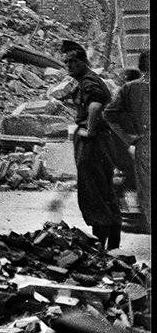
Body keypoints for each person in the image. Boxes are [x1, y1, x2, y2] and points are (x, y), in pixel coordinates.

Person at [64, 44, 122, 250]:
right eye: (66, 62)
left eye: (73, 61)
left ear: (83, 62)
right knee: (104, 188)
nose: (69, 66)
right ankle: (112, 241)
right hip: (102, 140)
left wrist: (89, 129)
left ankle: (101, 241)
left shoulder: (88, 82)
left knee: (91, 189)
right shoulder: (87, 80)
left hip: (93, 142)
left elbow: (95, 104)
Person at [105, 50, 150, 233]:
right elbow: (109, 114)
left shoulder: (129, 88)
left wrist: (129, 138)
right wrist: (129, 138)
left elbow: (110, 114)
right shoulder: (131, 89)